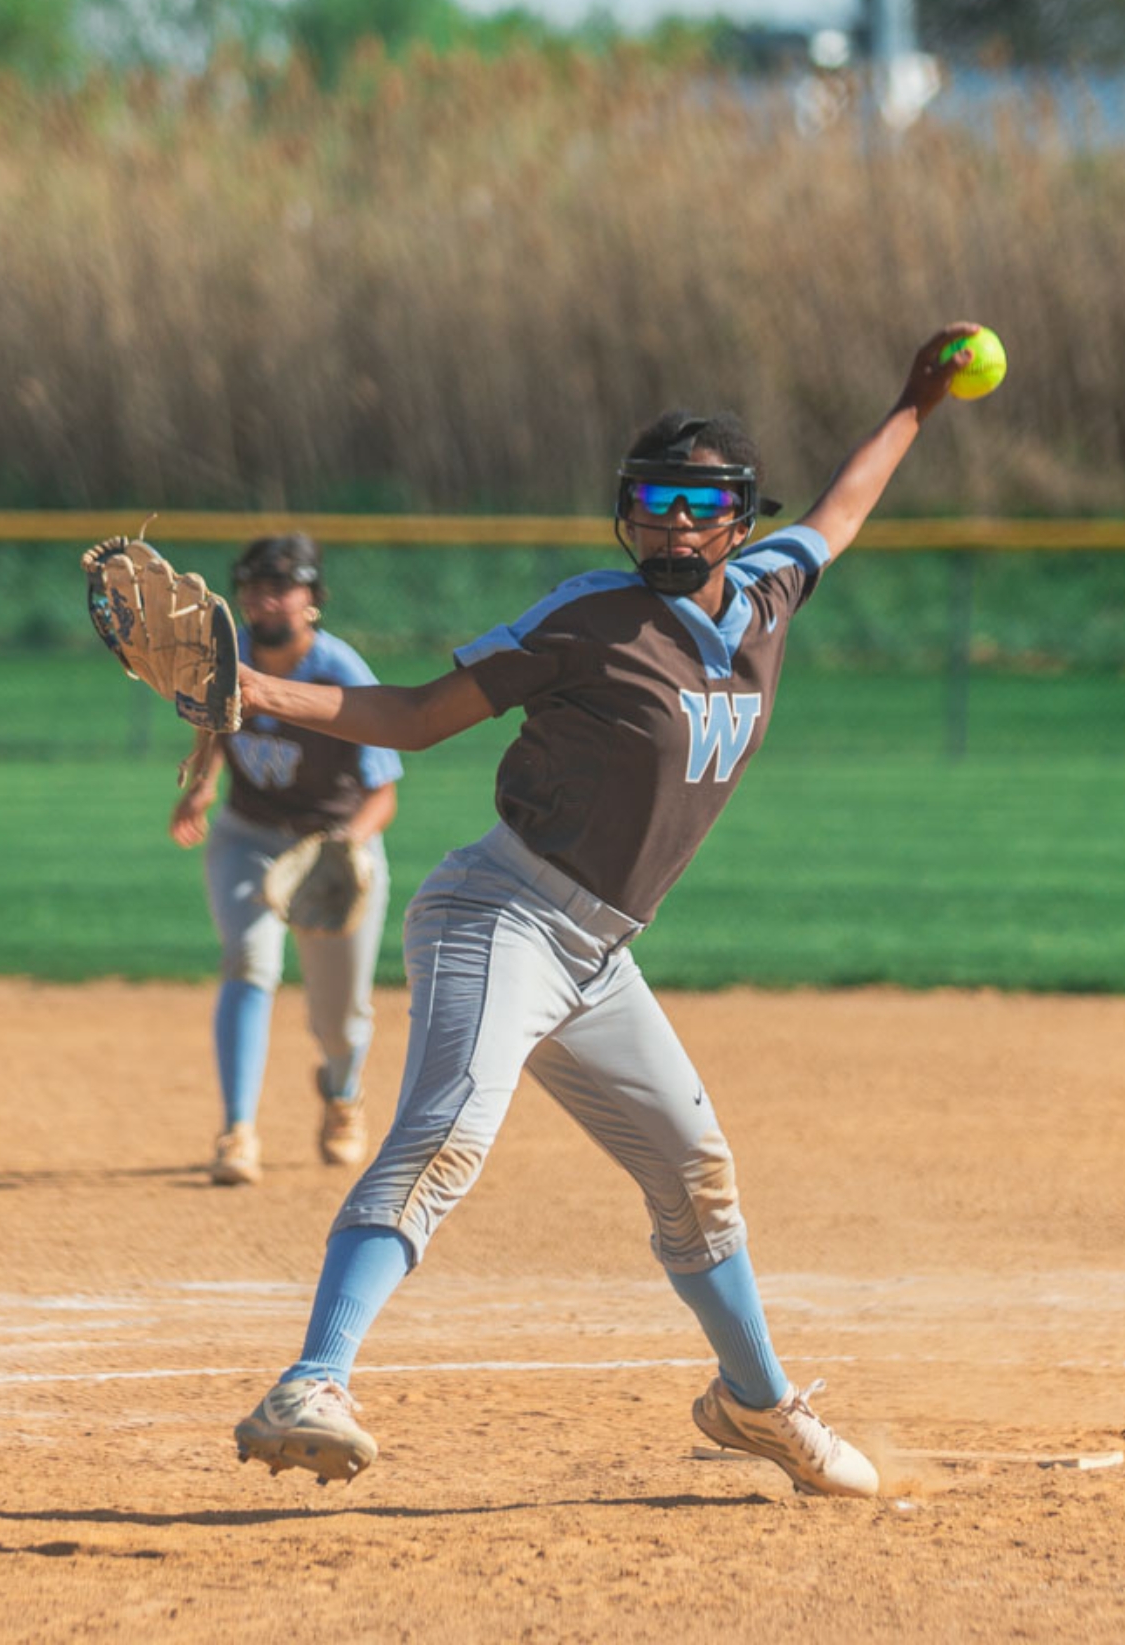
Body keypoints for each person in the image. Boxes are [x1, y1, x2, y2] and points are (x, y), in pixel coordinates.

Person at [227, 325, 985, 1495]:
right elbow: (420, 715)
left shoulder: (771, 591)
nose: (672, 524)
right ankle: (313, 1377)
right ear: (623, 513)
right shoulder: (589, 618)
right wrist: (252, 691)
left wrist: (915, 403)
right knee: (445, 1132)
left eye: (698, 502)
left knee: (695, 1177)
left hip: (595, 951)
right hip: (500, 913)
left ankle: (757, 1406)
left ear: (736, 518)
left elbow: (842, 506)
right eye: (650, 501)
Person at [169, 533, 402, 1188]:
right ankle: (237, 1131)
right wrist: (204, 782)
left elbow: (383, 793)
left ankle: (341, 1090)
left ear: (313, 598)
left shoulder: (342, 671)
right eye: (254, 586)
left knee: (341, 1016)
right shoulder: (229, 653)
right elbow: (219, 719)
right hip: (249, 834)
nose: (266, 599)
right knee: (249, 959)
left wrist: (346, 845)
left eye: (283, 585)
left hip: (334, 846)